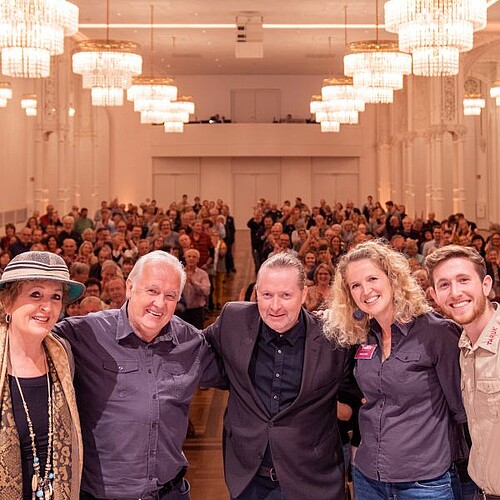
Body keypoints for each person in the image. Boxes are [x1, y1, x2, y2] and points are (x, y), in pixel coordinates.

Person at [53, 250, 222, 499]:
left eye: (170, 296)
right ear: (130, 287)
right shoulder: (84, 334)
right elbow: (29, 340)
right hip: (102, 494)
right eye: (152, 291)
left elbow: (241, 373)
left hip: (170, 492)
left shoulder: (190, 342)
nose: (160, 304)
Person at [323, 240, 467, 500]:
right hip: (368, 477)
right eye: (355, 285)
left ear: (393, 278)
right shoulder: (362, 337)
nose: (365, 290)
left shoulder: (437, 333)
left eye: (372, 278)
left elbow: (462, 411)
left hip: (424, 483)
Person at [204, 253, 351, 500]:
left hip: (313, 483)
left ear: (304, 294)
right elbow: (193, 350)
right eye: (267, 295)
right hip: (249, 483)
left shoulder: (333, 337)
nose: (275, 306)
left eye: (285, 295)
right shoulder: (233, 320)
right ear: (256, 293)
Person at [0, 251, 85, 498]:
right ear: (7, 301)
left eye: (55, 297)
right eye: (35, 294)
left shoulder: (63, 354)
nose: (46, 307)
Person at [426, 245, 500, 499]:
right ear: (434, 295)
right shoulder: (462, 348)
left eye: (463, 280)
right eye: (444, 285)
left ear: (486, 285)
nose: (455, 293)